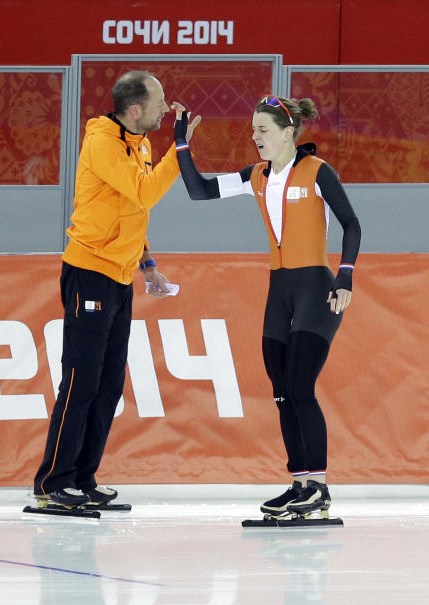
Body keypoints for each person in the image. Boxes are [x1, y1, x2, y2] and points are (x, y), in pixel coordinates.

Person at [173, 95, 361, 519]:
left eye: (263, 130)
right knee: (280, 391)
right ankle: (299, 484)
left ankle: (319, 487)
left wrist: (345, 275)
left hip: (317, 288)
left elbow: (351, 222)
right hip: (279, 291)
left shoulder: (316, 171)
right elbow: (199, 190)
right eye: (253, 129)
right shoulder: (255, 176)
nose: (254, 136)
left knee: (299, 385)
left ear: (288, 133)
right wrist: (181, 142)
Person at [32, 70, 200, 508]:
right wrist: (179, 149)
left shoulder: (139, 143)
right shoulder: (104, 142)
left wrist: (147, 264)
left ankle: (83, 479)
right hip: (90, 271)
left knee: (108, 384)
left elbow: (128, 211)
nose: (167, 108)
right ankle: (53, 483)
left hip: (121, 275)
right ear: (134, 109)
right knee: (80, 378)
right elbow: (144, 194)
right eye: (160, 103)